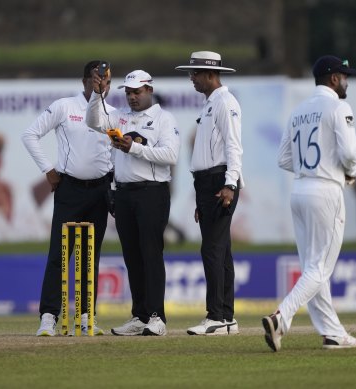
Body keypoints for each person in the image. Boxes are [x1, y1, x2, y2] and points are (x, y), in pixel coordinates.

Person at [262, 55, 356, 351]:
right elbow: (349, 153)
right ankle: (281, 317)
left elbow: (283, 158)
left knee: (312, 267)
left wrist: (310, 171)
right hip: (326, 191)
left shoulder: (299, 111)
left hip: (301, 190)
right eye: (344, 75)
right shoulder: (338, 106)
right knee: (319, 269)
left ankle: (332, 333)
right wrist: (350, 174)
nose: (346, 81)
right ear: (333, 78)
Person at [21, 60, 115, 336]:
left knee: (91, 256)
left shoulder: (113, 113)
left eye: (107, 81)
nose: (103, 86)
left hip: (100, 190)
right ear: (85, 80)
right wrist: (48, 170)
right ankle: (49, 316)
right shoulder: (65, 106)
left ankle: (87, 316)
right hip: (70, 189)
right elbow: (30, 135)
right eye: (98, 80)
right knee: (60, 255)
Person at [86, 69, 180, 336]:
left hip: (152, 192)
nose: (132, 97)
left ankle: (156, 317)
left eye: (137, 92)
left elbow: (170, 155)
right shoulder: (119, 115)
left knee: (151, 253)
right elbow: (93, 122)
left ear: (149, 90)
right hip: (125, 193)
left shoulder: (164, 118)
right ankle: (139, 315)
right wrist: (97, 94)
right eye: (128, 92)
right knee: (132, 256)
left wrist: (134, 148)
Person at [175, 51, 243, 336]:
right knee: (221, 250)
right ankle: (227, 317)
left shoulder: (225, 102)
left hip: (220, 181)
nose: (191, 78)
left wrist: (229, 184)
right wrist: (201, 195)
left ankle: (216, 316)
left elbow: (233, 147)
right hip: (207, 184)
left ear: (210, 74)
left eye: (195, 73)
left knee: (212, 250)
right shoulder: (210, 104)